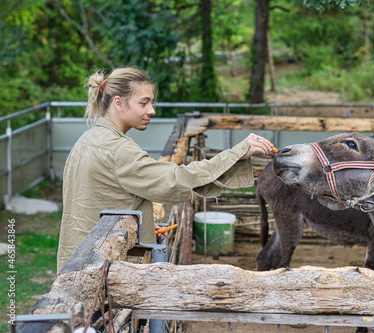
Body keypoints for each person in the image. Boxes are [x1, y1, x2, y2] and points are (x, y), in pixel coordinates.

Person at [57, 67, 274, 272]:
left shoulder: (86, 140)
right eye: (144, 103)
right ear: (118, 102)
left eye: (151, 103)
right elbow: (175, 180)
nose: (151, 110)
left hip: (77, 264)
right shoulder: (118, 150)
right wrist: (235, 154)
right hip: (102, 271)